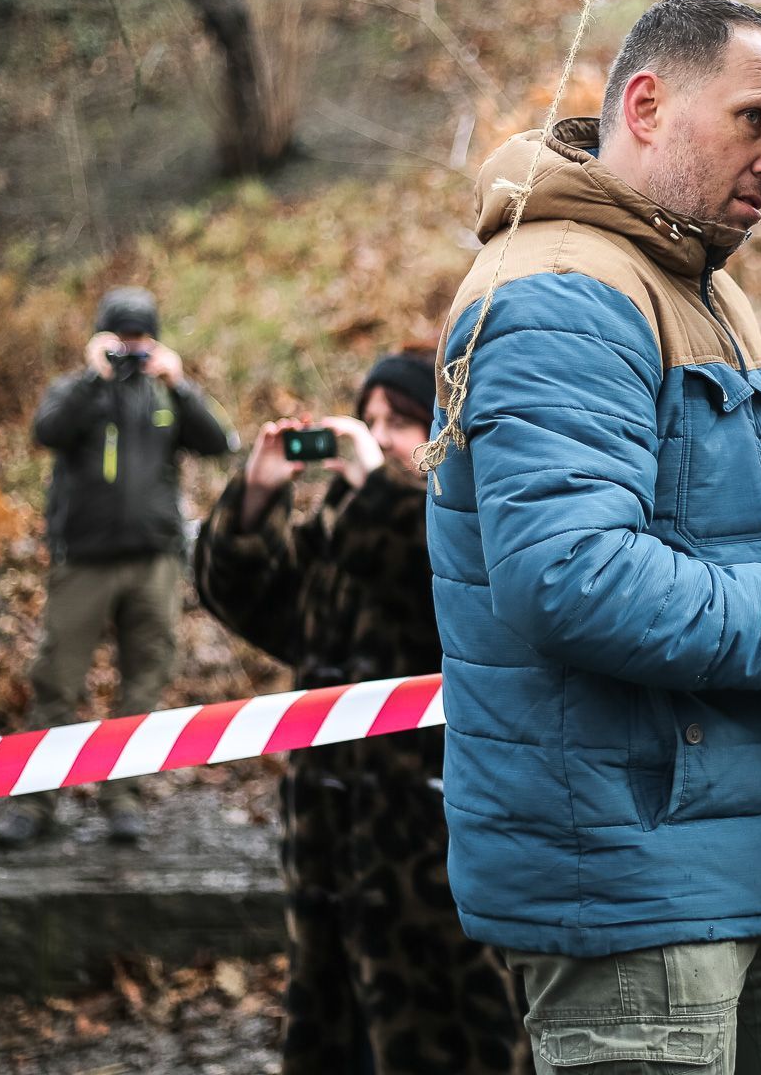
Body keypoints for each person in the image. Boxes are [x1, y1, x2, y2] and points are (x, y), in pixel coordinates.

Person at [425, 0, 761, 1074]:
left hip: (730, 866)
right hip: (633, 885)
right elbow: (575, 579)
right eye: (753, 121)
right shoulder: (563, 295)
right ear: (647, 103)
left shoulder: (690, 285)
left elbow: (744, 519)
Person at [193, 353, 529, 1075]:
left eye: (401, 423)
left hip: (432, 845)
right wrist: (256, 499)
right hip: (330, 842)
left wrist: (381, 487)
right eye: (369, 422)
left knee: (445, 1036)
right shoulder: (348, 526)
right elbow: (262, 606)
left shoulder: (472, 523)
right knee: (337, 1033)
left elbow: (437, 583)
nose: (379, 438)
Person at [0, 287, 238, 848]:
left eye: (139, 342)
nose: (130, 352)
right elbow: (45, 431)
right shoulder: (79, 391)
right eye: (120, 341)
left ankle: (121, 796)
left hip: (153, 561)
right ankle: (35, 804)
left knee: (143, 683)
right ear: (101, 340)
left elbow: (222, 441)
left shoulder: (166, 393)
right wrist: (91, 378)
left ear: (154, 342)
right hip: (84, 562)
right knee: (56, 681)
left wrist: (182, 383)